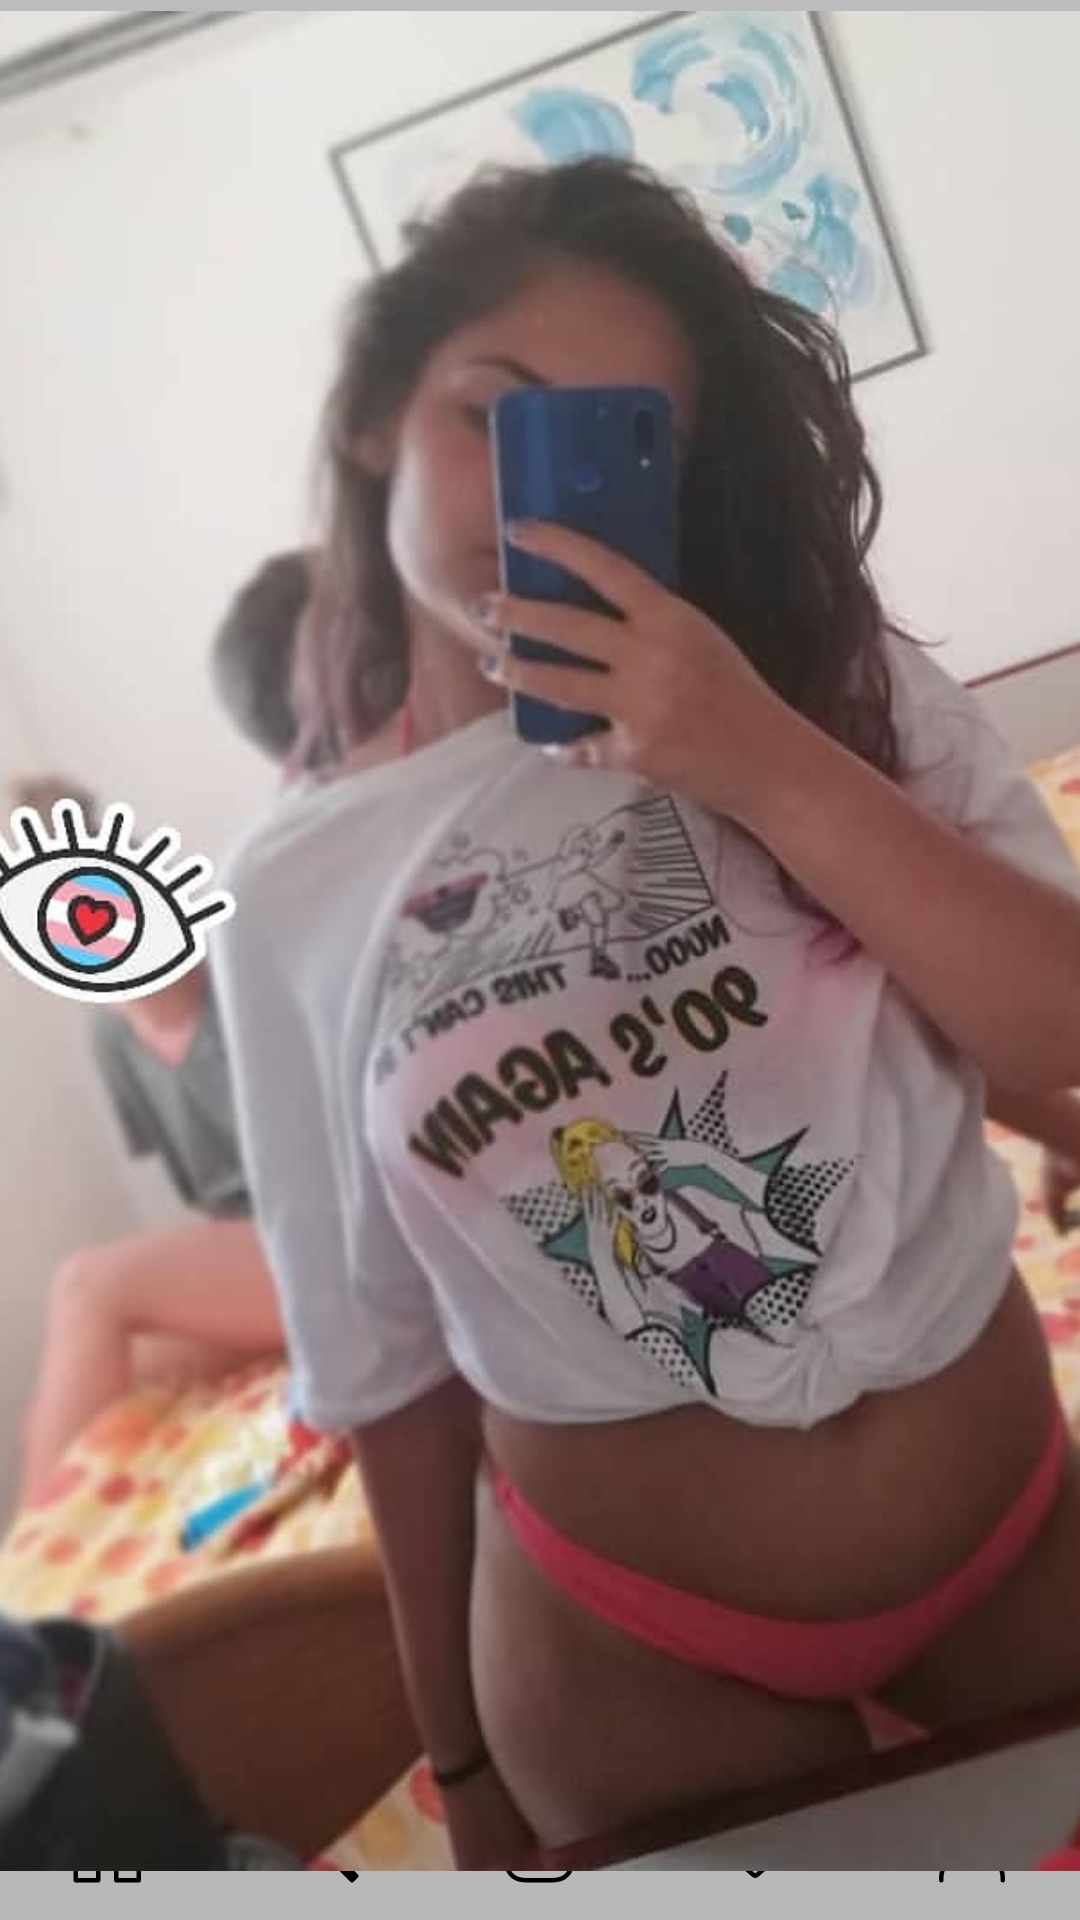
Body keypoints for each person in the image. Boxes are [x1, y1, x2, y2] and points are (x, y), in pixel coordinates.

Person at [212, 159, 1080, 1869]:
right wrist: (457, 1761)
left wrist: (752, 752)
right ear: (377, 420)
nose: (535, 492)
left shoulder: (829, 679)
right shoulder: (301, 888)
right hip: (629, 1641)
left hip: (1016, 1523)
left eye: (627, 442)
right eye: (493, 416)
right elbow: (383, 1365)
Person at [16, 550, 316, 1505]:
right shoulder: (112, 1039)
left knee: (87, 1286)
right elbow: (211, 1208)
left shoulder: (239, 965)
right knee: (131, 1363)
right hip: (256, 1254)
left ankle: (28, 1589)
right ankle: (76, 1546)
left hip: (321, 1238)